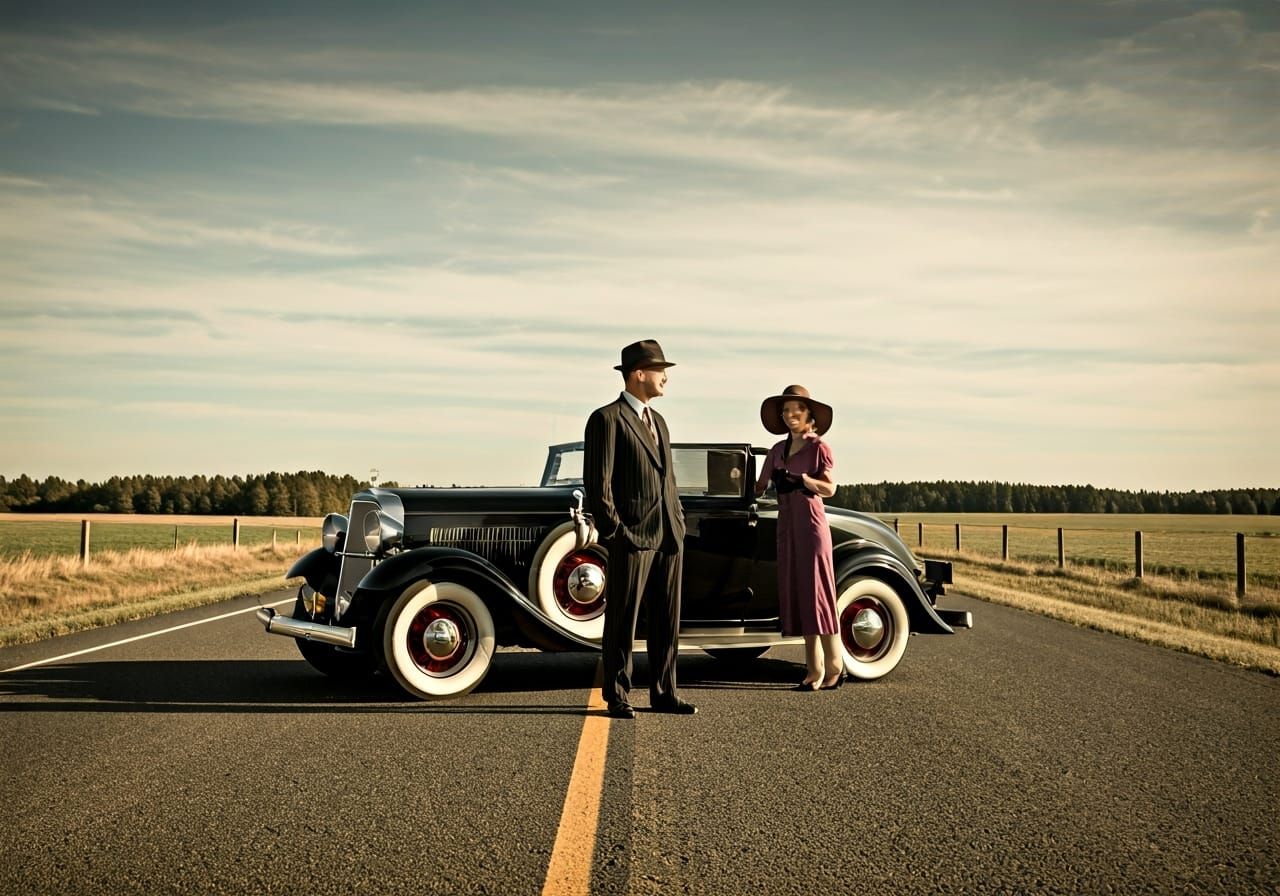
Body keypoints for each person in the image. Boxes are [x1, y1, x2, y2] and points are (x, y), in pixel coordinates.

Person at [584, 339, 695, 719]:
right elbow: (598, 487)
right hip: (630, 538)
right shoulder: (607, 418)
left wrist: (677, 522)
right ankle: (616, 695)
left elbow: (668, 481)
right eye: (660, 370)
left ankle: (665, 693)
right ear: (638, 374)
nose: (666, 377)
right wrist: (617, 534)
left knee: (667, 621)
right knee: (623, 619)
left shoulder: (659, 421)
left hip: (668, 537)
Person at [753, 385, 844, 691]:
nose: (791, 415)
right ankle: (822, 665)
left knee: (818, 594)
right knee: (799, 594)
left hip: (812, 526)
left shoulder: (819, 447)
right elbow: (759, 485)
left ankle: (825, 666)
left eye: (797, 410)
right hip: (787, 527)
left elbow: (831, 489)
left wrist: (806, 480)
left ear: (809, 415)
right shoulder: (777, 450)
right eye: (787, 410)